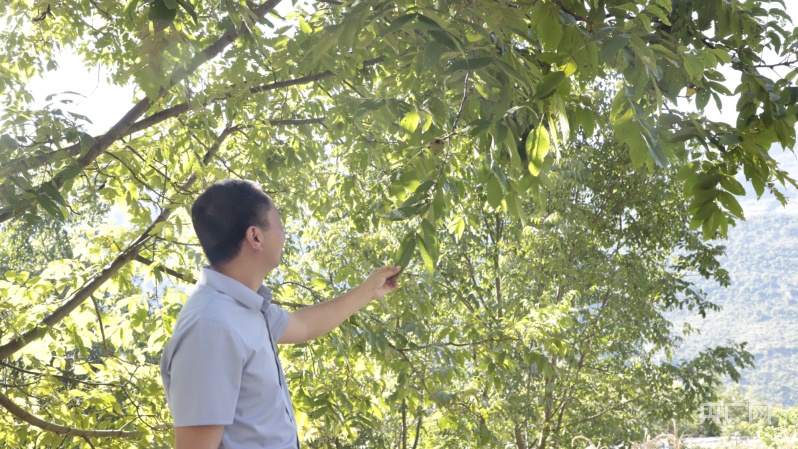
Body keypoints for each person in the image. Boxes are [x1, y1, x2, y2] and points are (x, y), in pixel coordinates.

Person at [159, 179, 401, 449]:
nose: (284, 235)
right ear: (255, 237)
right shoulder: (211, 327)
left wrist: (368, 290)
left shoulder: (244, 307)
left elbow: (303, 325)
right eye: (279, 224)